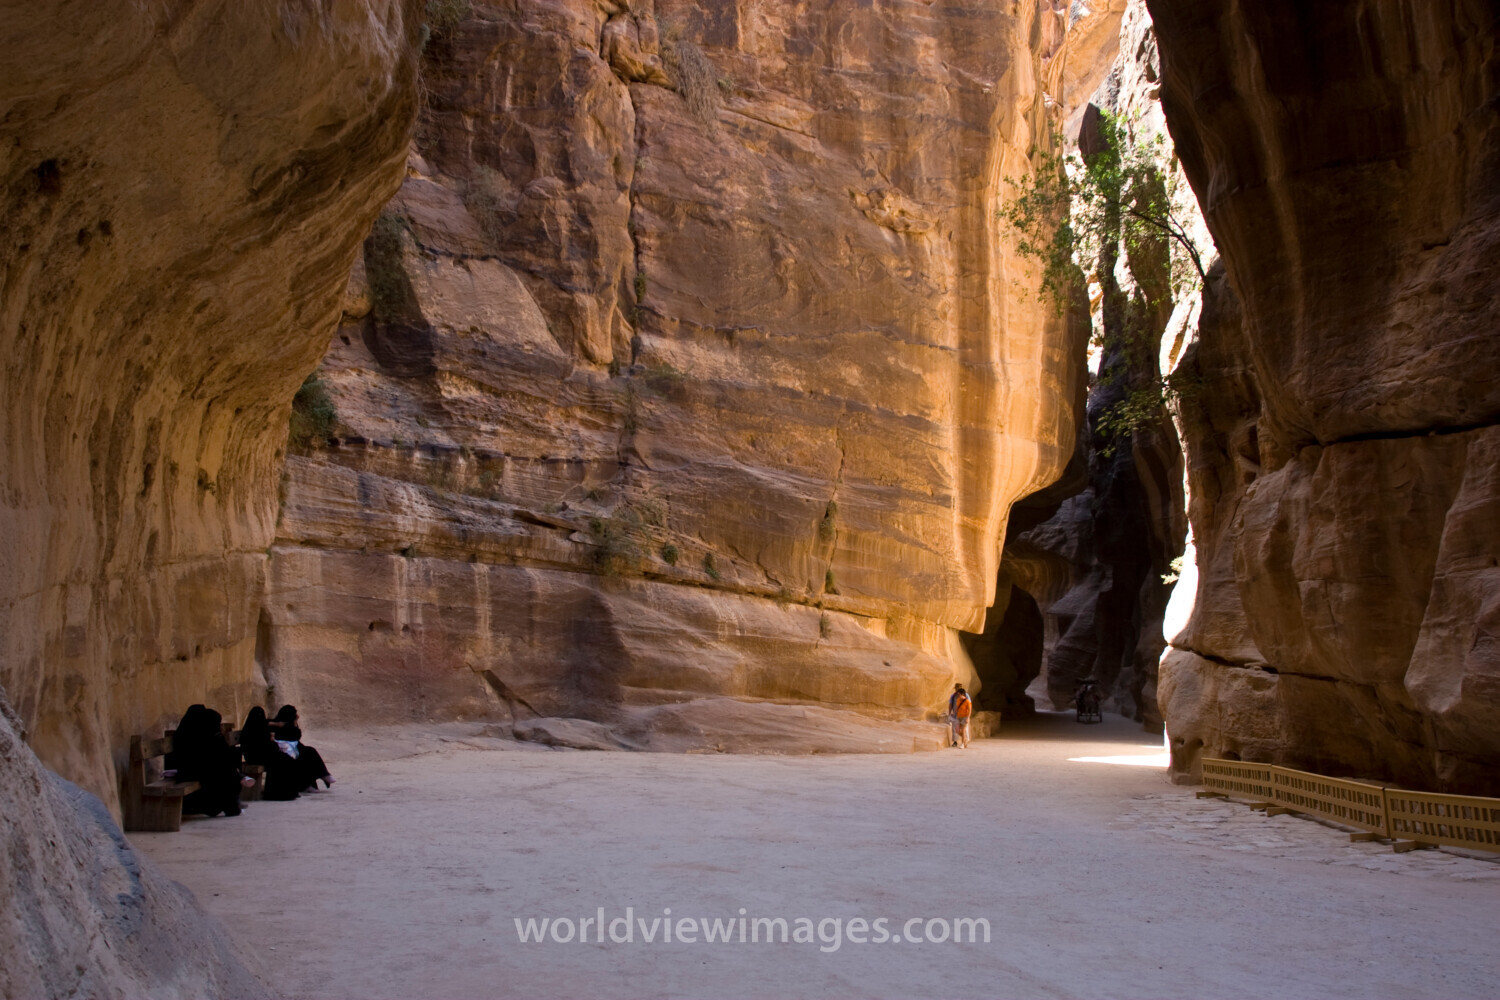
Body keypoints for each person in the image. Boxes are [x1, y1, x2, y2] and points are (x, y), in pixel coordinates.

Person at [165, 704, 246, 817]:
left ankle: (228, 805)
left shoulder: (194, 731)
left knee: (227, 773)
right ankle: (226, 806)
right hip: (190, 771)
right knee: (225, 775)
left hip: (195, 769)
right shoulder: (189, 734)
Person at [239, 706, 304, 800]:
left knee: (287, 760)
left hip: (262, 755)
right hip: (256, 757)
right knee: (282, 761)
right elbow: (261, 746)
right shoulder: (252, 731)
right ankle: (277, 794)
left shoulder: (257, 728)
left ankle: (287, 792)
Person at [270, 705, 334, 789]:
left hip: (295, 749)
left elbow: (296, 736)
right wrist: (277, 724)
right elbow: (293, 737)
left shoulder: (291, 724)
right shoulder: (276, 724)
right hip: (284, 751)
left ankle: (323, 775)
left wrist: (294, 723)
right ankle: (316, 779)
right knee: (304, 757)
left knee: (310, 752)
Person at [947, 684, 973, 749]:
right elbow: (951, 704)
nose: (957, 689)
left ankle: (963, 743)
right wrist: (951, 713)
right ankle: (961, 741)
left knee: (964, 730)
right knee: (956, 730)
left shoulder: (966, 696)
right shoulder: (953, 696)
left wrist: (968, 717)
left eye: (958, 688)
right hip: (957, 716)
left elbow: (969, 708)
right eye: (956, 688)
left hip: (964, 716)